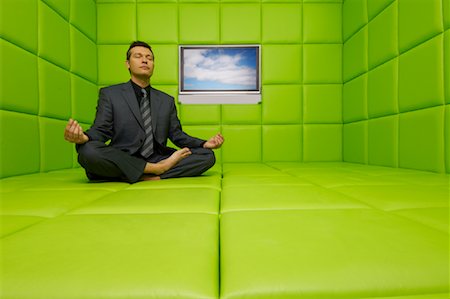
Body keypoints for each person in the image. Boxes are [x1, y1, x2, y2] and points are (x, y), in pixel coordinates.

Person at [64, 41, 224, 183]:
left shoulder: (166, 100)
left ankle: (142, 175)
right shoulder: (110, 94)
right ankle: (154, 170)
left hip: (157, 156)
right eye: (138, 56)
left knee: (207, 156)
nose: (145, 60)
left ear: (153, 65)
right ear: (127, 63)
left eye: (150, 57)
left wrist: (204, 144)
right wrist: (82, 138)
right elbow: (101, 130)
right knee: (87, 151)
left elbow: (177, 135)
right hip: (123, 156)